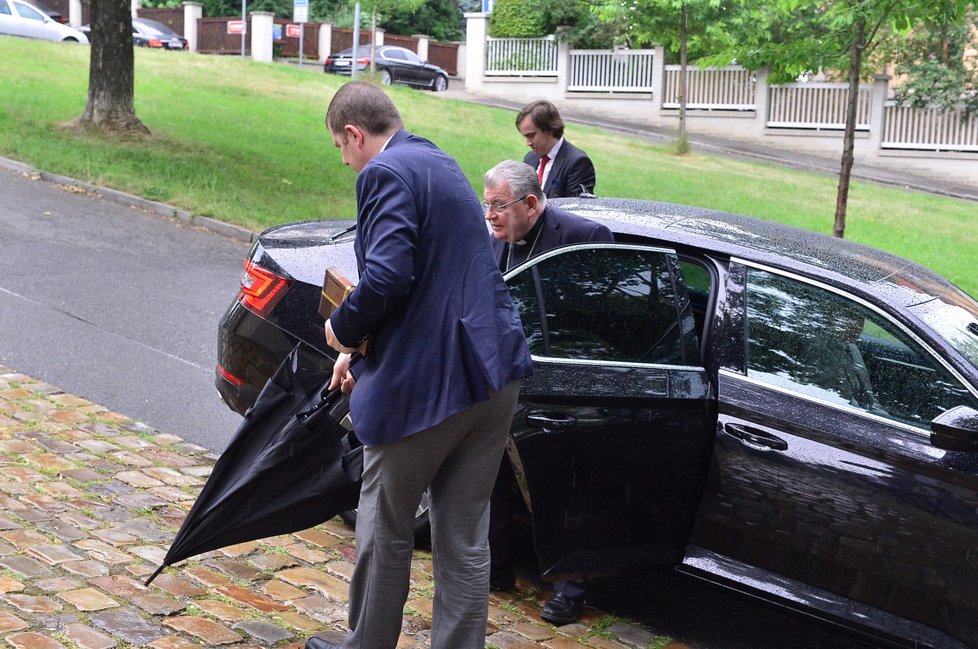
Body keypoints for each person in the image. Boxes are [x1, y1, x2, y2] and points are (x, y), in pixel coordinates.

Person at [309, 81, 533, 649]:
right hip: (492, 373)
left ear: (355, 134)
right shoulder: (437, 159)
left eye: (341, 147)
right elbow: (431, 282)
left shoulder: (382, 174)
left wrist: (343, 331)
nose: (344, 159)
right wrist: (361, 357)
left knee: (385, 528)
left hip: (429, 390)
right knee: (464, 535)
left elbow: (388, 277)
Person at [482, 159, 613, 626]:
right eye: (487, 205)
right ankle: (496, 569)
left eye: (499, 206)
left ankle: (570, 587)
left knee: (563, 483)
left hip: (559, 387)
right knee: (490, 471)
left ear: (531, 203)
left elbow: (600, 320)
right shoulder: (495, 239)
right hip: (503, 380)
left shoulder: (583, 237)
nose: (490, 215)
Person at [516, 100, 596, 199]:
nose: (528, 143)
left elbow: (576, 210)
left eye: (531, 135)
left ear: (550, 128)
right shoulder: (530, 158)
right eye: (525, 137)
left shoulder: (577, 163)